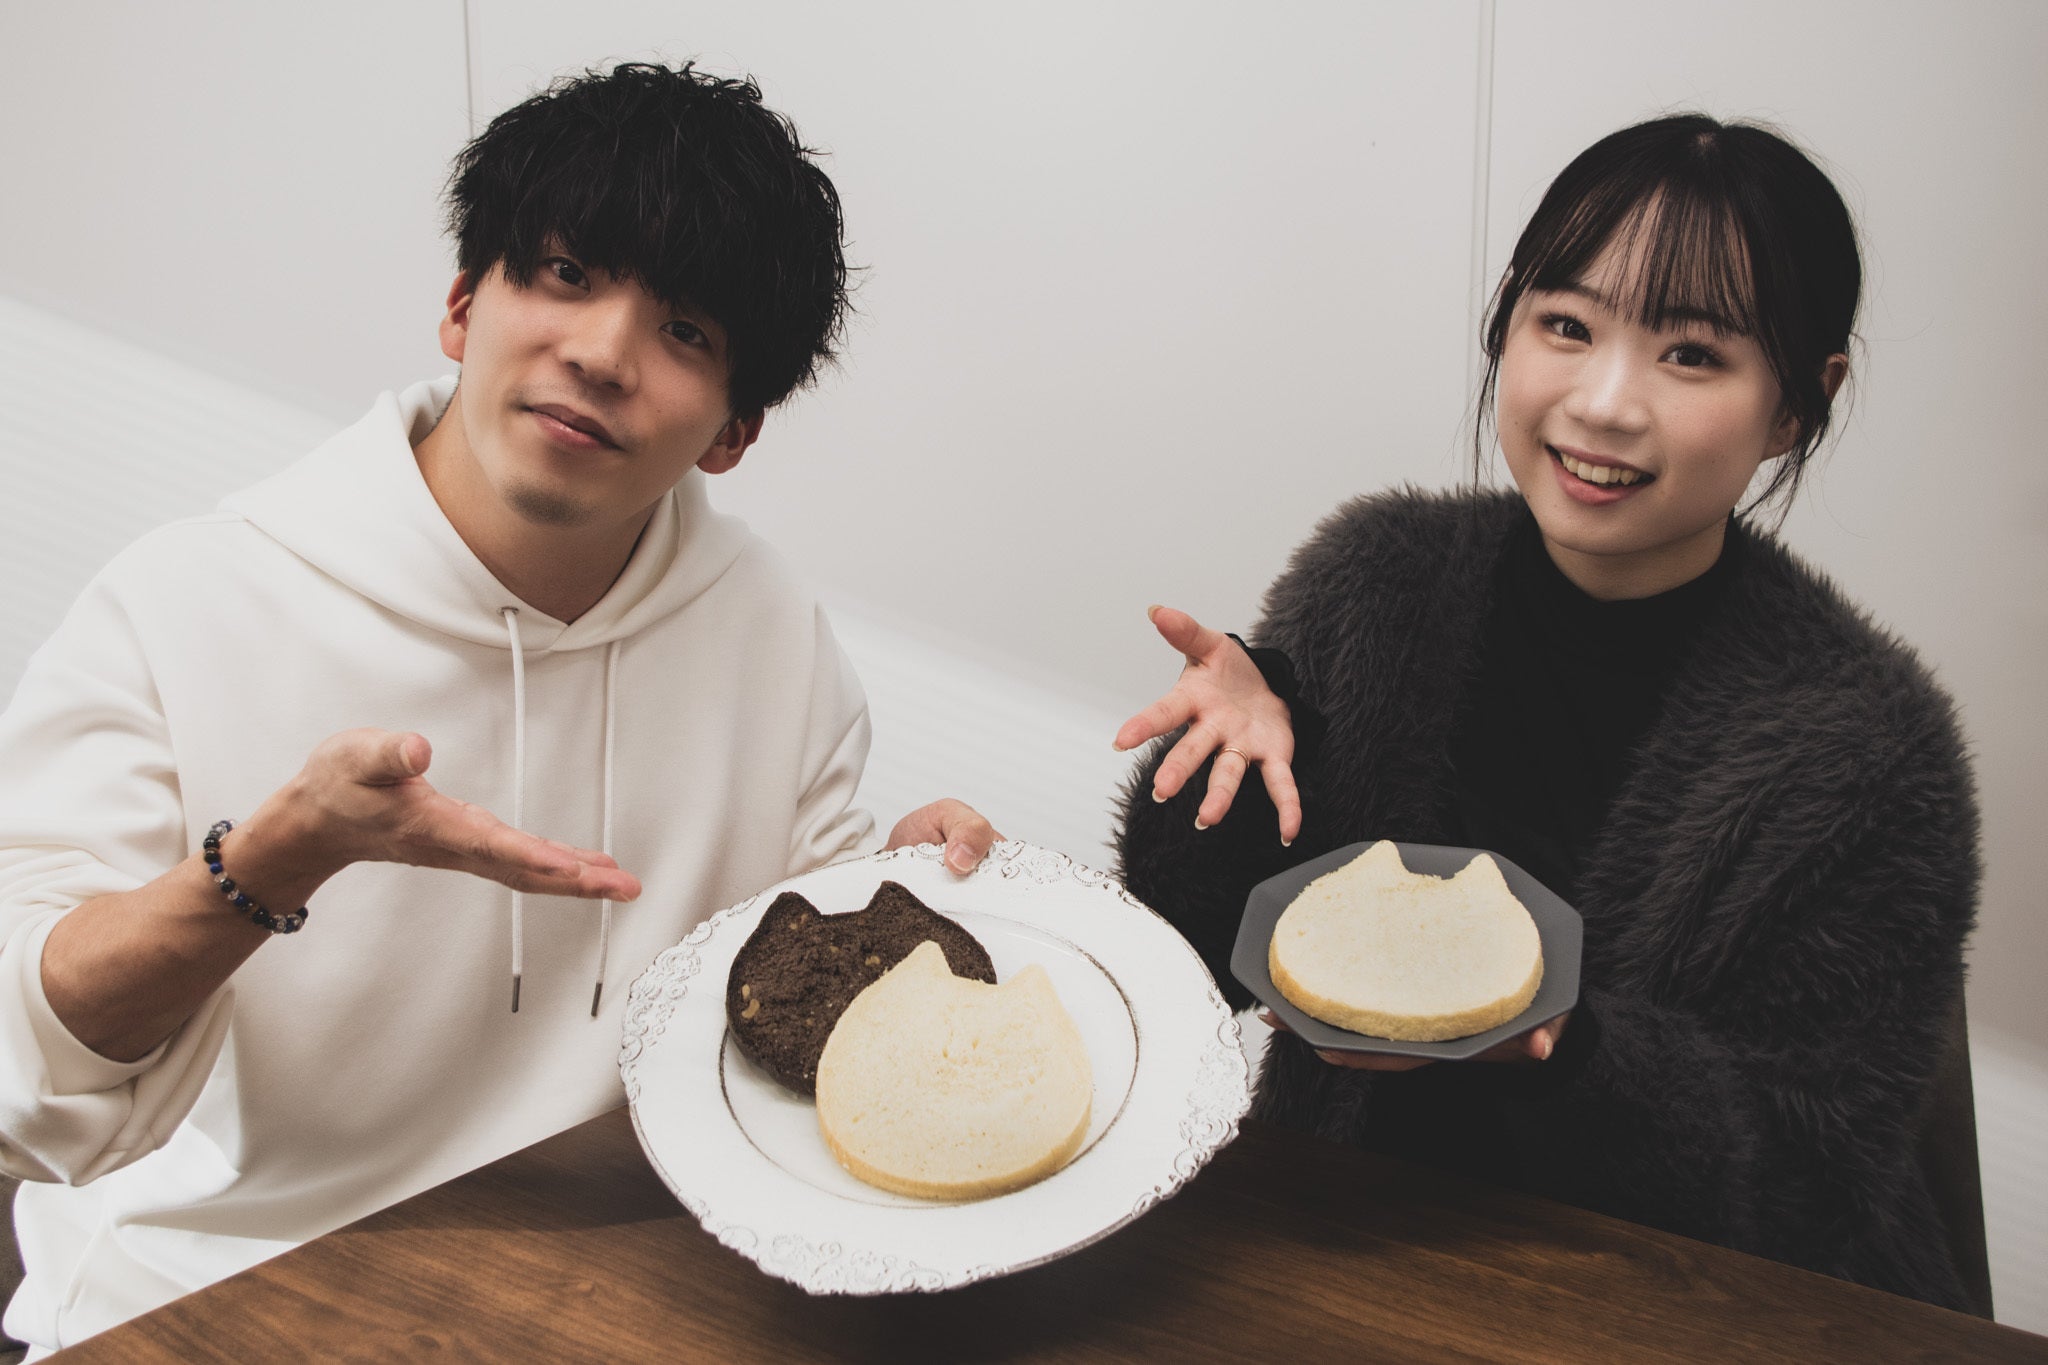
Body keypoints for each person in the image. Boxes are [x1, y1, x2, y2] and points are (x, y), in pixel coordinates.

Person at [0, 63, 997, 1354]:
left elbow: (781, 981)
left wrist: (893, 891)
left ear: (732, 432)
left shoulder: (772, 628)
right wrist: (271, 862)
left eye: (685, 332)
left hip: (613, 1290)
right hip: (221, 1286)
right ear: (464, 305)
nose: (600, 355)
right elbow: (27, 1090)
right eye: (566, 274)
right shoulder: (186, 599)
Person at [1111, 115, 1980, 1310]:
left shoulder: (1869, 754)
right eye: (1566, 326)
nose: (1604, 402)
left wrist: (1565, 1049)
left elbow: (1802, 1192)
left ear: (1796, 404)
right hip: (1336, 1246)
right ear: (1504, 323)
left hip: (1653, 1307)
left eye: (1691, 354)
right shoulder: (1375, 580)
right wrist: (1226, 755)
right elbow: (1196, 953)